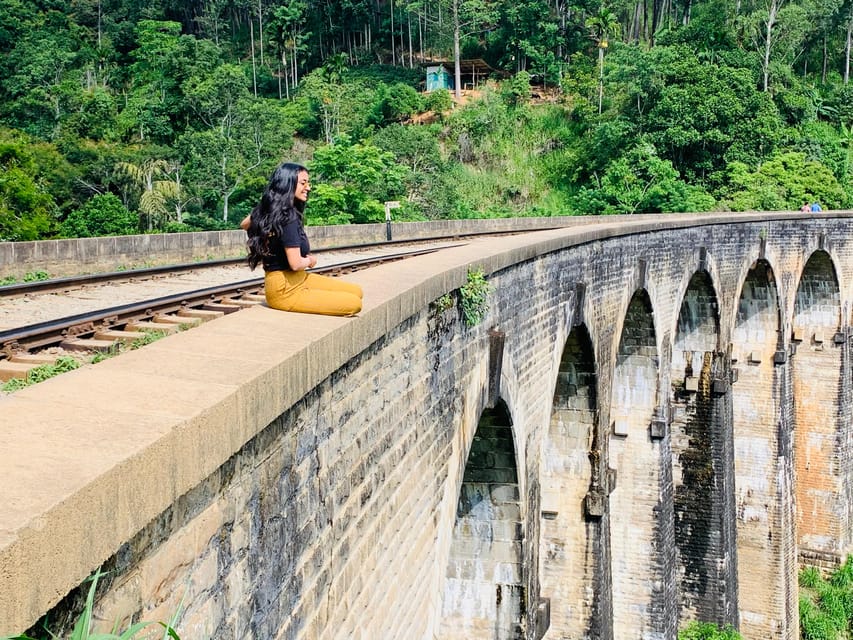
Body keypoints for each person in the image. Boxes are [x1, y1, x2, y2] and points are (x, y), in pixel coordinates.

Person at [244, 162, 363, 316]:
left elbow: (245, 224)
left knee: (356, 291)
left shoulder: (279, 212)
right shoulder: (289, 218)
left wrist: (267, 210)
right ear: (287, 184)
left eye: (308, 183)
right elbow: (295, 264)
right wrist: (311, 261)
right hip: (285, 290)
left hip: (298, 279)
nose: (308, 187)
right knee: (353, 303)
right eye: (303, 183)